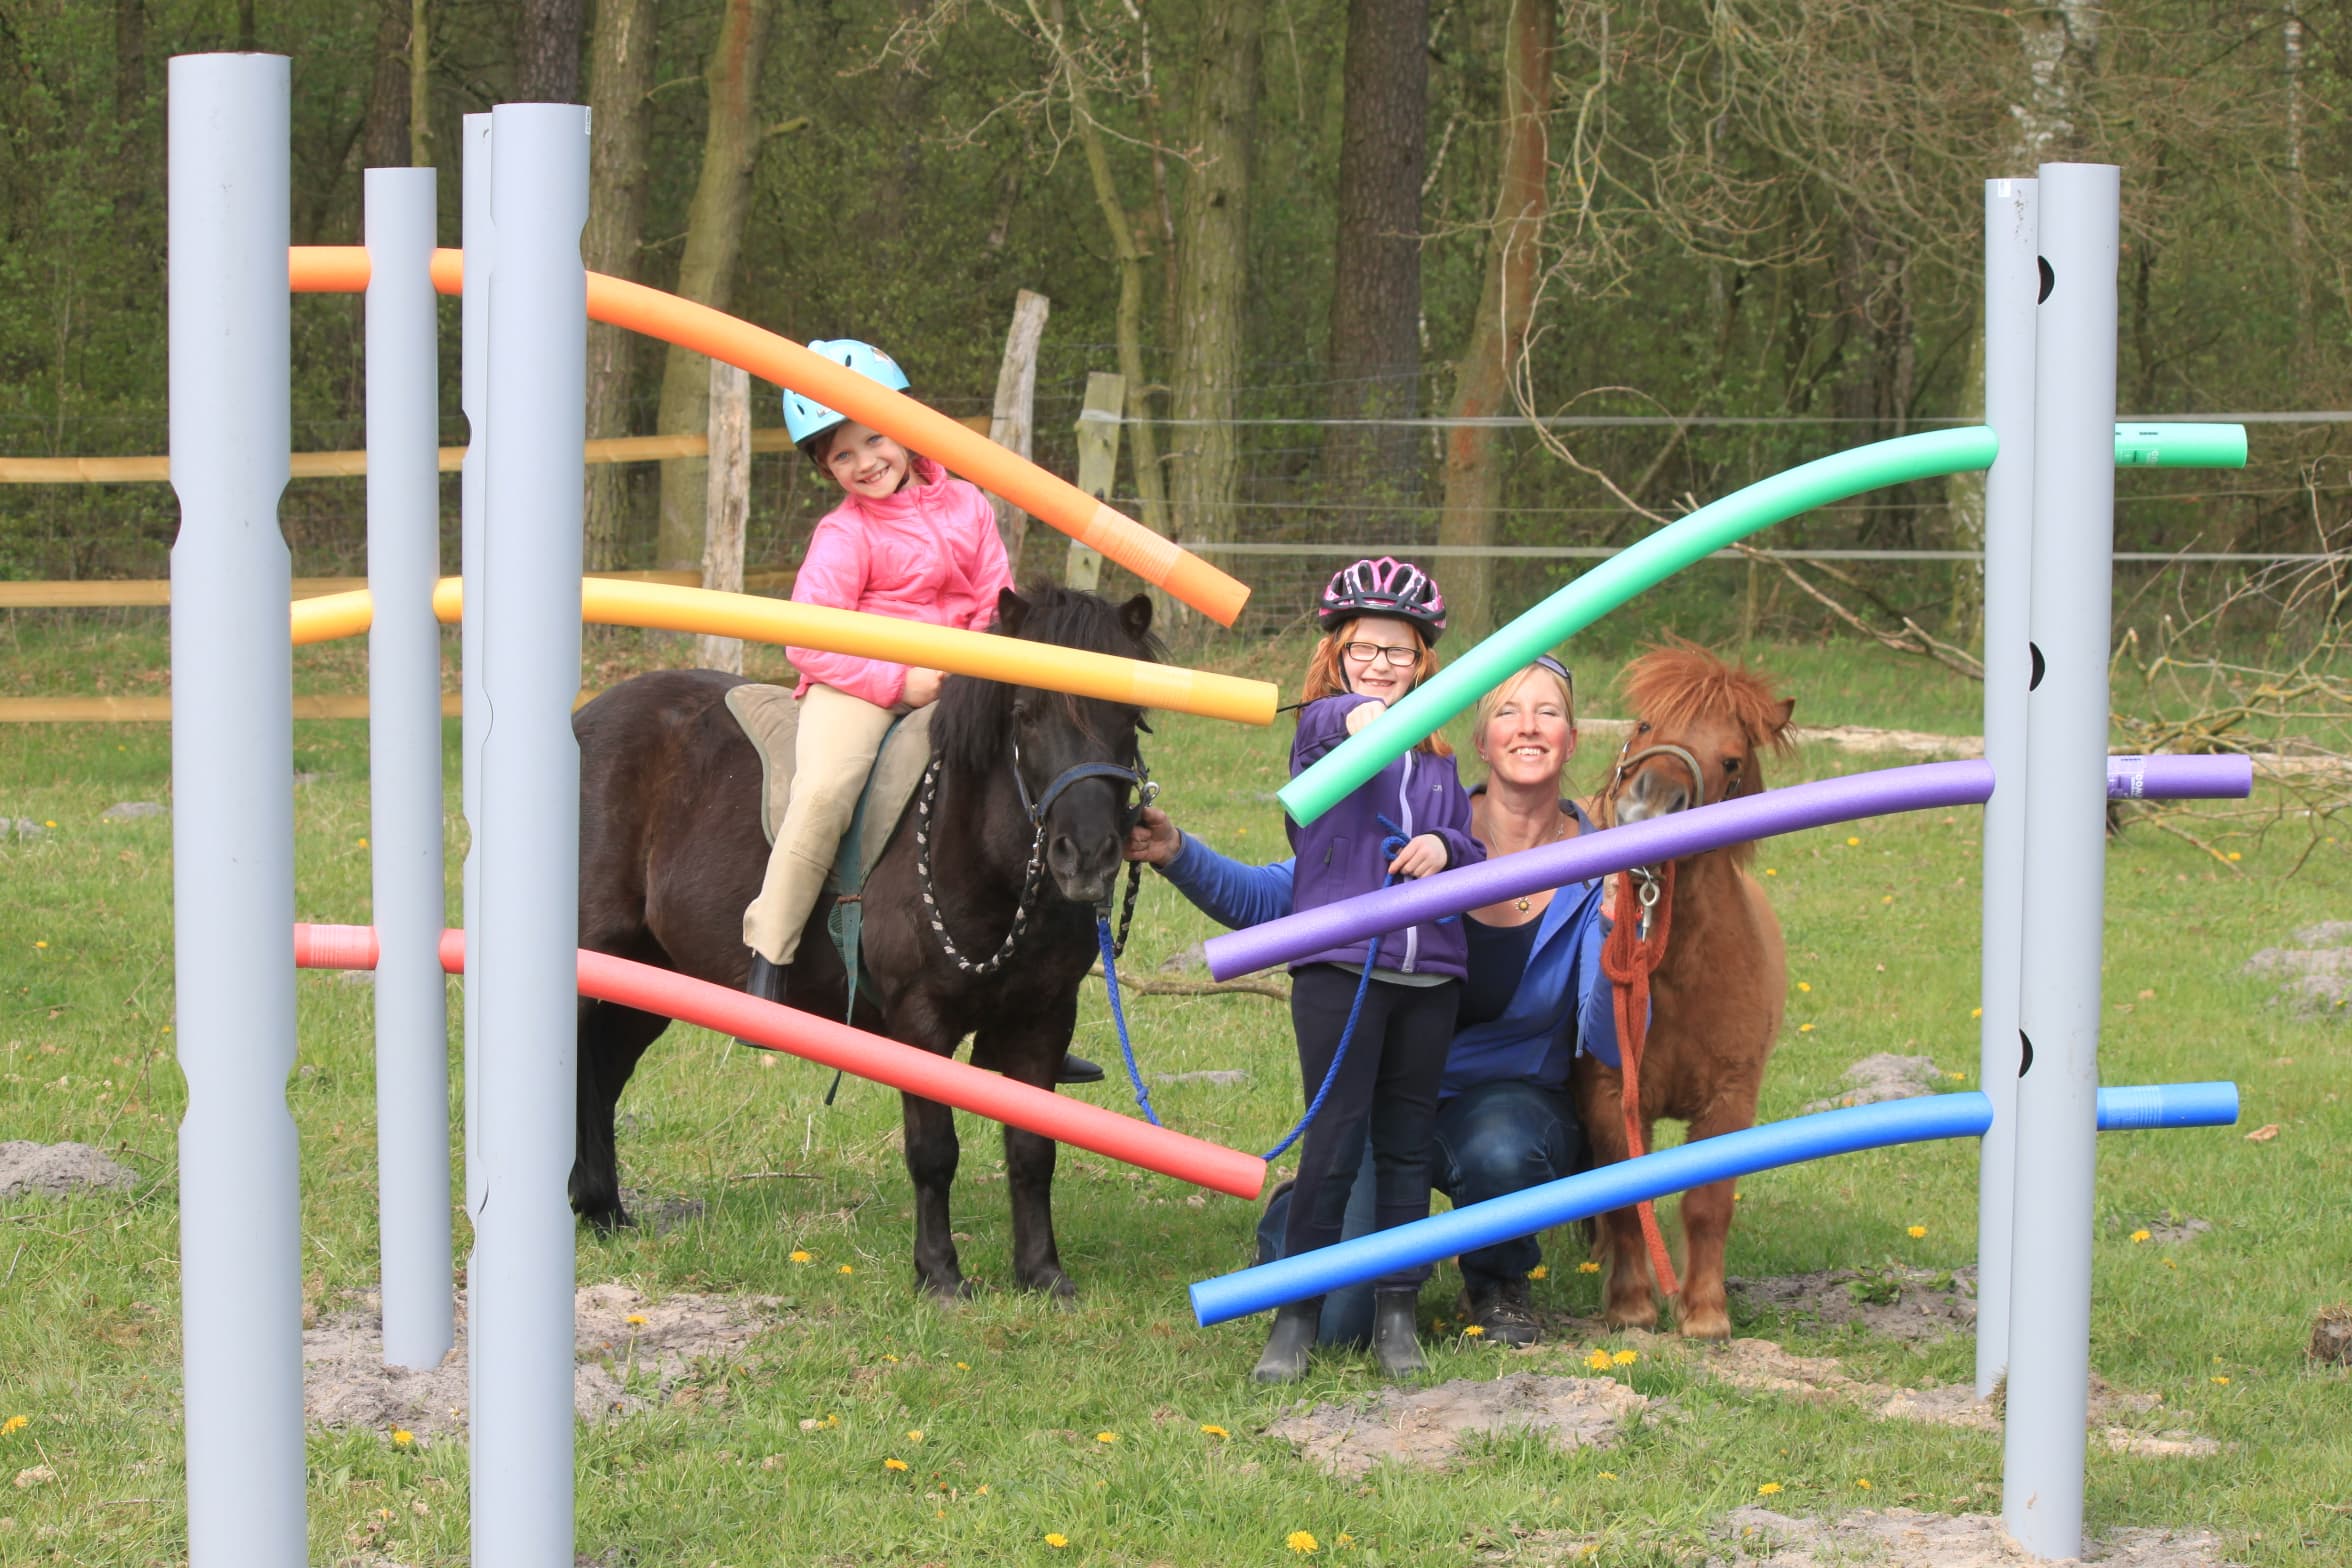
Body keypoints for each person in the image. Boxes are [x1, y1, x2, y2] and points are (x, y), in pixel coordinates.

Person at [1126, 652, 1617, 1350]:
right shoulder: (1425, 814)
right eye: (1507, 710)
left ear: (1572, 737)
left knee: (1503, 1148)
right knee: (1338, 1325)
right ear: (1480, 739)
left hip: (1509, 1102)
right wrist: (1176, 850)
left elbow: (1605, 1041)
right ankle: (1298, 1221)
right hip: (1385, 1095)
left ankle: (1500, 1281)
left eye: (1549, 713)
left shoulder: (1602, 865)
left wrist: (1621, 937)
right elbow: (1285, 899)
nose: (1528, 728)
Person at [738, 338, 1103, 1081]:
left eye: (874, 437)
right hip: (860, 685)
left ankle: (1033, 1000)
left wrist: (976, 671)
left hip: (962, 679)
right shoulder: (843, 535)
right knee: (827, 788)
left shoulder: (968, 503)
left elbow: (993, 603)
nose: (865, 462)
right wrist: (899, 682)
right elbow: (809, 641)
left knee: (1030, 781)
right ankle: (768, 961)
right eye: (841, 456)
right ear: (825, 471)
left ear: (905, 423)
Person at [1228, 558, 1484, 1384]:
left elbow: (1472, 848)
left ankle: (1397, 1314)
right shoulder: (1324, 729)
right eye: (1366, 649)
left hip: (1430, 972)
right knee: (1333, 1141)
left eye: (1401, 654)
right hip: (1342, 966)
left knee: (1407, 1146)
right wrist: (1359, 713)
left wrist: (1448, 848)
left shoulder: (1440, 760)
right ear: (1337, 656)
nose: (1383, 664)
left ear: (1426, 665)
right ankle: (1294, 1318)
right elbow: (1330, 731)